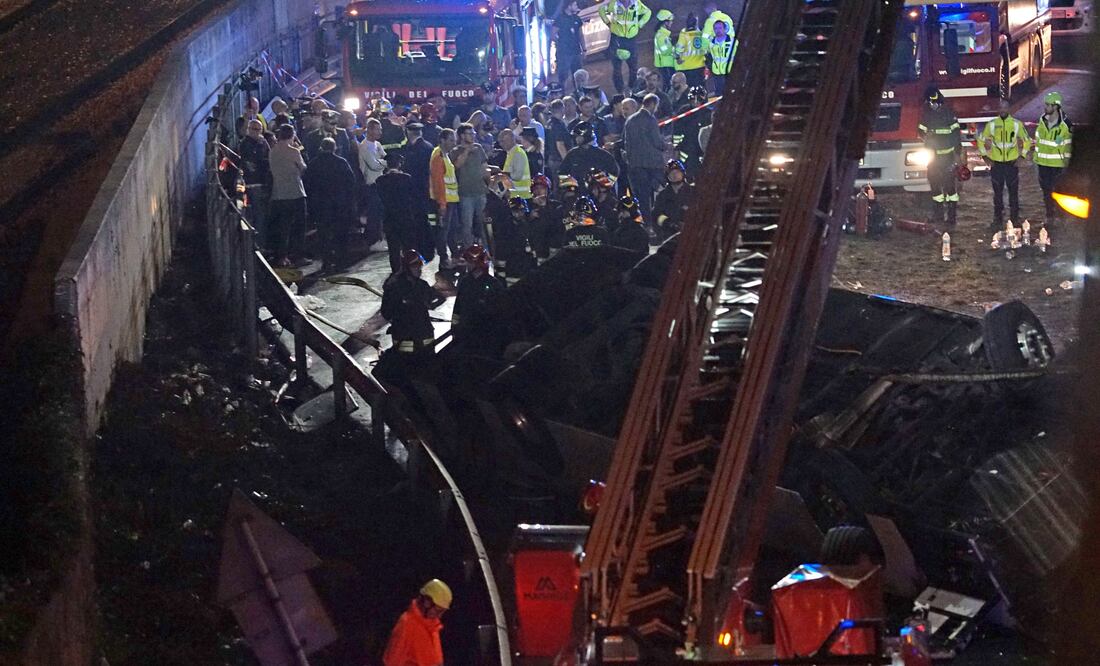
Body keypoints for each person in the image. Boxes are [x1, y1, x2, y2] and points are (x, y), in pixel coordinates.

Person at [380, 253, 446, 380]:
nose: (419, 270)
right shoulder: (395, 288)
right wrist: (400, 316)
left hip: (424, 333)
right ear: (406, 268)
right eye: (415, 267)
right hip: (405, 334)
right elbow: (386, 312)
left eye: (420, 267)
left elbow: (440, 298)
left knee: (428, 367)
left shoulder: (422, 285)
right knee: (407, 369)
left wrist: (428, 305)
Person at [302, 137, 358, 270]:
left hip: (321, 204)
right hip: (340, 204)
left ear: (321, 147)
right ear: (335, 148)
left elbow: (308, 183)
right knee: (341, 232)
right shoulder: (341, 162)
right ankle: (341, 260)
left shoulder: (314, 163)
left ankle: (326, 261)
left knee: (323, 233)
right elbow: (351, 182)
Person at [979, 98, 1031, 231]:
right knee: (997, 193)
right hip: (996, 165)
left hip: (1011, 164)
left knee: (1013, 193)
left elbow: (1027, 141)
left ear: (1009, 109)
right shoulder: (991, 124)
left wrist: (1022, 156)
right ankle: (997, 219)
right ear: (998, 109)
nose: (1002, 110)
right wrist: (985, 156)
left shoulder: (1016, 124)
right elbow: (981, 140)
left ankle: (1014, 218)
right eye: (1000, 107)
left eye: (1005, 107)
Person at [623, 93, 667, 238]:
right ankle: (654, 224)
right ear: (653, 104)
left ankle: (646, 225)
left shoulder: (630, 120)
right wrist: (666, 146)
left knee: (642, 197)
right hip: (651, 165)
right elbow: (656, 141)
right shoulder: (650, 119)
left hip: (635, 165)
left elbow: (626, 143)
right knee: (653, 194)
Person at [917, 86, 962, 227]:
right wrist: (924, 135)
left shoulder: (948, 114)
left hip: (947, 158)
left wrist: (958, 155)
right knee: (935, 188)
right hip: (933, 158)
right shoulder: (927, 116)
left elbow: (956, 135)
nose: (932, 105)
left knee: (950, 189)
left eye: (933, 103)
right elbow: (920, 131)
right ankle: (939, 215)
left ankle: (951, 216)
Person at [268, 124, 308, 267]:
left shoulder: (272, 151)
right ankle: (298, 255)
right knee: (299, 226)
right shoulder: (294, 151)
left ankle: (282, 256)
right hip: (295, 191)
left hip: (279, 193)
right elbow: (303, 167)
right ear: (292, 135)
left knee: (283, 227)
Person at [1033, 91, 1073, 229]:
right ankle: (1050, 216)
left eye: (1048, 105)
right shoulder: (1042, 120)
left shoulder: (1066, 125)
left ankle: (1062, 218)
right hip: (1043, 164)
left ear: (1056, 107)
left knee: (1059, 192)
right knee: (1046, 192)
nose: (1045, 107)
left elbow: (1068, 146)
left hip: (1058, 165)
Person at [376, 153, 422, 273]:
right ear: (400, 164)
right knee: (409, 246)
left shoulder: (380, 180)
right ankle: (410, 270)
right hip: (406, 217)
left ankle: (396, 272)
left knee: (393, 249)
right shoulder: (406, 178)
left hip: (389, 218)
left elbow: (379, 201)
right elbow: (415, 198)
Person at [451, 123, 490, 253]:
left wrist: (489, 183)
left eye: (473, 133)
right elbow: (457, 165)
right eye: (470, 133)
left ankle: (487, 250)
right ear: (462, 135)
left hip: (481, 191)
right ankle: (468, 251)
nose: (473, 136)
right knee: (466, 225)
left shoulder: (479, 148)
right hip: (465, 194)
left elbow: (485, 167)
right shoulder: (456, 151)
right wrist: (467, 150)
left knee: (484, 223)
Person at [599, 0, 652, 94]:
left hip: (631, 39)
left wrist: (640, 24)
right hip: (617, 39)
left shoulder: (636, 3)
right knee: (617, 68)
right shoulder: (614, 4)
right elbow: (601, 10)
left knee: (633, 67)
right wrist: (608, 23)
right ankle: (620, 90)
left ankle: (633, 89)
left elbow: (648, 12)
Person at [452, 245, 504, 333]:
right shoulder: (465, 281)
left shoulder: (493, 284)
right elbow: (458, 308)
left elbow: (500, 312)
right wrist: (454, 329)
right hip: (466, 332)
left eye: (470, 262)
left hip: (485, 333)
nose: (467, 265)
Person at [404, 122, 436, 259]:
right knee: (427, 221)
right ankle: (428, 249)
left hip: (418, 191)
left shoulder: (415, 150)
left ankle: (425, 250)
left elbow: (412, 171)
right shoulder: (428, 147)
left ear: (409, 132)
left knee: (421, 221)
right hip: (427, 190)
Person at [430, 128, 462, 265]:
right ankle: (443, 259)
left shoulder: (445, 155)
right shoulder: (439, 156)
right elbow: (438, 182)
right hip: (445, 201)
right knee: (443, 232)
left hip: (451, 200)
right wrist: (442, 204)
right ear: (442, 140)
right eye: (451, 140)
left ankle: (454, 255)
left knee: (451, 230)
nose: (454, 143)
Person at [239, 119, 271, 247]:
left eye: (258, 129)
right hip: (253, 183)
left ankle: (261, 244)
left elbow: (267, 158)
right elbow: (251, 164)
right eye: (253, 129)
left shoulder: (263, 142)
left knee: (262, 215)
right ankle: (258, 245)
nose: (256, 132)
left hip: (263, 182)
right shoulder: (246, 144)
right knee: (258, 215)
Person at [560, 122, 620, 186]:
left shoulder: (602, 155)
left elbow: (614, 171)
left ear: (586, 136)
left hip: (598, 193)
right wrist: (570, 188)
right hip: (579, 192)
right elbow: (563, 172)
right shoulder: (572, 154)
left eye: (578, 136)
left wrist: (605, 186)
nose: (576, 139)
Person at [672, 85, 710, 176]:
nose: (696, 103)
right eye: (693, 100)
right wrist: (676, 149)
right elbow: (677, 132)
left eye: (698, 100)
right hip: (686, 150)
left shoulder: (708, 114)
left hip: (702, 151)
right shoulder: (684, 112)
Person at [652, 159, 694, 239]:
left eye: (677, 172)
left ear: (683, 173)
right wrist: (670, 224)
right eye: (671, 173)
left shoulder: (693, 192)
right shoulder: (662, 195)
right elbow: (656, 216)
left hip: (691, 235)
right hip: (669, 236)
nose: (674, 175)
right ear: (667, 176)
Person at [528, 174, 565, 259]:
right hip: (534, 250)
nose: (539, 191)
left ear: (548, 190)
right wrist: (529, 217)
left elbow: (557, 225)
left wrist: (544, 208)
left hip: (551, 249)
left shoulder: (556, 206)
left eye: (542, 188)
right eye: (536, 188)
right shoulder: (527, 205)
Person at [555, 1, 584, 92]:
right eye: (575, 4)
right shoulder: (560, 19)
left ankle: (579, 94)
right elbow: (553, 33)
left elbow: (580, 35)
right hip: (564, 53)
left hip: (576, 51)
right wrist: (561, 42)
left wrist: (584, 49)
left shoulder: (576, 19)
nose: (577, 6)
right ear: (569, 6)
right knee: (563, 76)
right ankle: (562, 94)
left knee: (578, 75)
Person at [498, 128, 533, 200]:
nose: (501, 144)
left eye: (503, 141)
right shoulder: (511, 153)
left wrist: (500, 174)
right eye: (500, 142)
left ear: (511, 140)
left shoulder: (518, 153)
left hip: (521, 196)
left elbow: (517, 176)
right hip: (515, 195)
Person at [675, 13, 708, 88]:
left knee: (690, 91)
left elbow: (679, 49)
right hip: (700, 66)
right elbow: (705, 48)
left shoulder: (684, 33)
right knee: (702, 88)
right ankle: (704, 100)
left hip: (687, 67)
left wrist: (677, 58)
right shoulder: (700, 33)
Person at [706, 18, 736, 96]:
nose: (718, 30)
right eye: (715, 28)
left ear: (725, 29)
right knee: (719, 95)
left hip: (729, 73)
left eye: (720, 28)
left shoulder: (733, 42)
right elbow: (709, 56)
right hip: (717, 74)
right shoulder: (711, 43)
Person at [545, 99, 571, 177]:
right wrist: (567, 162)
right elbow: (560, 145)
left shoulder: (549, 123)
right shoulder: (559, 125)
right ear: (562, 109)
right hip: (559, 160)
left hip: (551, 159)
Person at [653, 9, 676, 88]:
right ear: (665, 22)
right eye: (670, 21)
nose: (672, 23)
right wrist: (675, 49)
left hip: (667, 63)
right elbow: (665, 51)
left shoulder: (664, 34)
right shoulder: (661, 36)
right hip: (665, 64)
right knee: (668, 85)